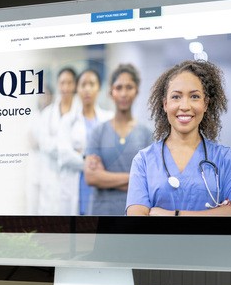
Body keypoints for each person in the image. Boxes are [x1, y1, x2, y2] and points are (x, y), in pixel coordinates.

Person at [126, 59, 231, 216]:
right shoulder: (143, 160)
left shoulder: (226, 158)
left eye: (195, 97)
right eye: (176, 97)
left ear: (205, 104)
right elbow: (136, 217)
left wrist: (175, 215)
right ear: (165, 104)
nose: (184, 106)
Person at [84, 63, 153, 215]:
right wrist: (135, 180)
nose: (123, 93)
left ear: (136, 91)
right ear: (111, 92)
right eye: (118, 87)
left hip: (135, 212)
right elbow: (91, 177)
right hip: (100, 213)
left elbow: (151, 181)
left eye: (129, 87)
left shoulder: (147, 134)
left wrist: (106, 178)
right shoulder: (98, 132)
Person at [56, 68, 113, 215]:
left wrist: (82, 154)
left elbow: (111, 153)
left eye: (92, 84)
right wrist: (90, 159)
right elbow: (64, 155)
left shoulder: (108, 119)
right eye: (83, 84)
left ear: (99, 88)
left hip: (101, 184)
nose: (87, 89)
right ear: (77, 88)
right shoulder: (68, 120)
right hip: (77, 184)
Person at [34, 66, 79, 215]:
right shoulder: (47, 114)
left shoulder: (81, 113)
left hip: (73, 181)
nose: (65, 87)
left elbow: (85, 149)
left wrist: (59, 147)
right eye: (62, 83)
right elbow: (45, 145)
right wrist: (71, 152)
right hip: (50, 180)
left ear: (75, 85)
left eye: (69, 82)